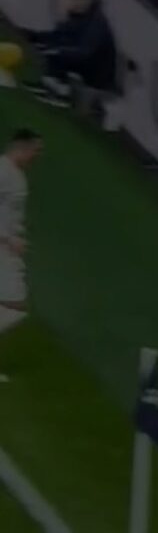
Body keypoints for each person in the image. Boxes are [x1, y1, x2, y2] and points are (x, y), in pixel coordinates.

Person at [0, 130, 39, 383]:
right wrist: (8, 238)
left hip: (7, 246)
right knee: (15, 304)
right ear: (22, 148)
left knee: (12, 304)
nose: (38, 156)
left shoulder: (14, 174)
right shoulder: (4, 172)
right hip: (2, 248)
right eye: (36, 150)